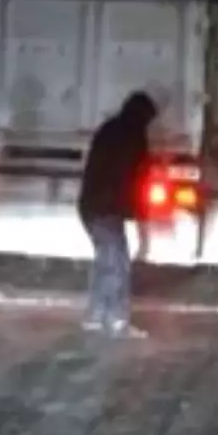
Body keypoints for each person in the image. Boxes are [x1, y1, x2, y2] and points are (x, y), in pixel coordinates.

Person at [76, 91, 159, 337]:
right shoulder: (135, 137)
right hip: (107, 208)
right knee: (118, 264)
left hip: (90, 205)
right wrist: (142, 229)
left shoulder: (109, 128)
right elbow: (137, 182)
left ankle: (96, 315)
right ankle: (116, 319)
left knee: (105, 261)